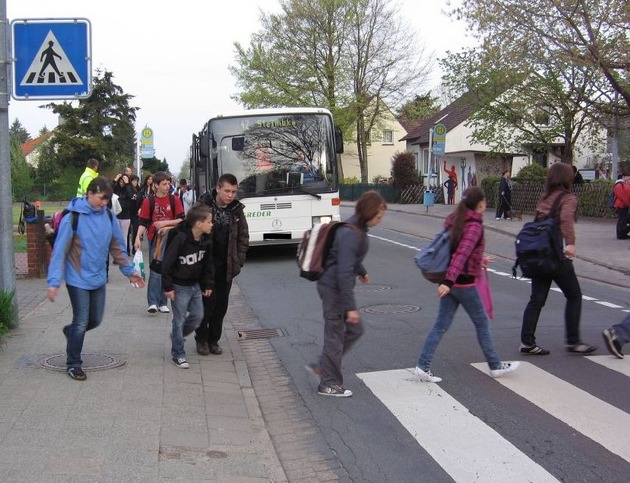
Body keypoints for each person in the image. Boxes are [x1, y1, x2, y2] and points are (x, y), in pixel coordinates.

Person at [415, 187, 519, 383]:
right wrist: (449, 281)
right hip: (462, 284)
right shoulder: (474, 226)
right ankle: (495, 366)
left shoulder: (457, 220)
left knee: (440, 325)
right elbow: (460, 254)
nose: (486, 204)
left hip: (451, 282)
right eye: (485, 201)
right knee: (482, 323)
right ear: (480, 203)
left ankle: (422, 366)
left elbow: (460, 249)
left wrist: (478, 260)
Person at [47, 177, 145, 381]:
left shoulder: (108, 217)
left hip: (98, 277)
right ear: (89, 194)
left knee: (95, 319)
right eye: (101, 198)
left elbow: (117, 247)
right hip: (77, 277)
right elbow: (59, 251)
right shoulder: (73, 217)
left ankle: (72, 332)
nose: (103, 203)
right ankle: (74, 363)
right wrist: (54, 281)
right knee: (82, 320)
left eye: (107, 200)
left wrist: (130, 271)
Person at [309, 191, 387, 397]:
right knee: (335, 335)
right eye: (378, 217)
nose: (379, 221)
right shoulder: (351, 233)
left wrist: (361, 271)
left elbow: (347, 258)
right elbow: (343, 272)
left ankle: (322, 366)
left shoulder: (356, 227)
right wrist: (350, 307)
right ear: (369, 212)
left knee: (353, 330)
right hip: (333, 288)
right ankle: (328, 383)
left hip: (334, 286)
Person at [520, 163, 597, 355]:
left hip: (539, 255)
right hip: (555, 256)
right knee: (574, 296)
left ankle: (527, 342)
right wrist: (570, 243)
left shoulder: (545, 197)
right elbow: (566, 219)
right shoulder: (568, 198)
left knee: (536, 299)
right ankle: (573, 341)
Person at [195, 174, 249, 356]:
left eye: (234, 192)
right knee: (206, 305)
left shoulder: (236, 210)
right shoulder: (203, 205)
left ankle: (214, 340)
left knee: (221, 306)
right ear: (218, 188)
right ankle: (201, 339)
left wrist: (238, 261)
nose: (230, 195)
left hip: (227, 266)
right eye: (227, 191)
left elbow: (243, 237)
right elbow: (191, 231)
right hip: (206, 266)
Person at [162, 204, 215, 368]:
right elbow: (167, 264)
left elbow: (208, 264)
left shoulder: (205, 240)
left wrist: (208, 283)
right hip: (179, 286)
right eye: (209, 222)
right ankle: (178, 354)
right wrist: (168, 287)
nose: (212, 225)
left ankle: (177, 335)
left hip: (195, 286)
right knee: (178, 320)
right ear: (199, 223)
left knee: (198, 316)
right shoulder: (181, 239)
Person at [134, 171, 185, 314]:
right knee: (156, 269)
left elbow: (181, 219)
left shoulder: (174, 200)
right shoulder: (148, 201)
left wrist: (164, 223)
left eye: (169, 183)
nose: (168, 186)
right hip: (155, 240)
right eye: (164, 184)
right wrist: (138, 237)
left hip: (171, 239)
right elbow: (143, 221)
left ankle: (163, 302)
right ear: (156, 185)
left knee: (167, 270)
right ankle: (153, 302)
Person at [612, 171, 630, 240]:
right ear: (624, 177)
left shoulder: (623, 184)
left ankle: (622, 233)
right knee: (622, 220)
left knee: (623, 220)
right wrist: (627, 203)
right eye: (628, 177)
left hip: (624, 204)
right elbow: (622, 196)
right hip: (621, 205)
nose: (628, 178)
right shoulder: (619, 185)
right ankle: (621, 235)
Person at [128, 174, 140, 255]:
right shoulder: (128, 189)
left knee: (135, 231)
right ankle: (127, 249)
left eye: (136, 181)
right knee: (127, 232)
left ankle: (134, 248)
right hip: (128, 212)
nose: (135, 182)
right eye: (134, 181)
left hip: (136, 213)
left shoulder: (138, 189)